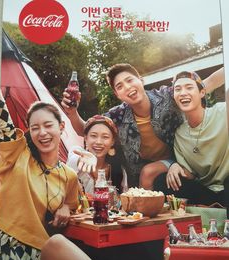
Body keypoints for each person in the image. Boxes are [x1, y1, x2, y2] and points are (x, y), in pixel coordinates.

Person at [0, 93, 130, 260]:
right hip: (3, 259)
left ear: (61, 126)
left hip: (40, 257)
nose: (43, 132)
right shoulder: (17, 154)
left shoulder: (69, 175)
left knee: (57, 243)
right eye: (35, 127)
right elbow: (0, 112)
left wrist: (66, 205)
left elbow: (76, 204)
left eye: (48, 125)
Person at [61, 64, 224, 188]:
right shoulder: (117, 115)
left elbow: (206, 84)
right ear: (118, 95)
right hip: (136, 171)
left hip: (179, 160)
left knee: (149, 172)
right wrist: (72, 113)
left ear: (141, 80)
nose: (127, 87)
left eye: (130, 80)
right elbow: (87, 129)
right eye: (120, 86)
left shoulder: (167, 96)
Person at [153, 71, 229, 214]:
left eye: (189, 87)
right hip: (206, 191)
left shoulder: (222, 112)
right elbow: (191, 174)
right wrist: (175, 166)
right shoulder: (180, 134)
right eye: (178, 89)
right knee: (162, 181)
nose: (183, 93)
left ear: (202, 93)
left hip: (227, 183)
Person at [67, 114, 126, 194]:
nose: (98, 142)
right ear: (86, 138)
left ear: (112, 141)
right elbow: (73, 157)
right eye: (93, 136)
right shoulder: (78, 156)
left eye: (105, 137)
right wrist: (80, 160)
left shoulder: (118, 170)